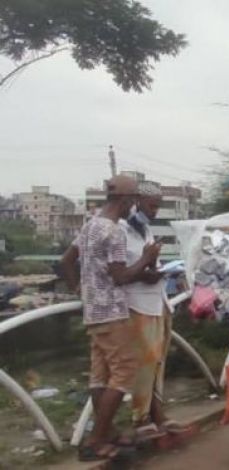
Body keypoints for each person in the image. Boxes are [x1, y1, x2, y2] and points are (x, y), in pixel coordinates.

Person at [61, 175, 160, 462]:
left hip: (93, 312)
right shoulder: (115, 232)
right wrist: (147, 258)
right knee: (124, 370)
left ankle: (108, 433)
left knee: (100, 374)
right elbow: (121, 277)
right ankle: (96, 440)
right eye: (134, 202)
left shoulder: (90, 225)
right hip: (112, 312)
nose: (134, 208)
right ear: (127, 201)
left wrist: (79, 291)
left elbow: (66, 261)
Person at [121, 182, 188, 440]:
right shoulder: (121, 231)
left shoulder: (146, 231)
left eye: (158, 206)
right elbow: (120, 272)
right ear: (137, 201)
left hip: (158, 301)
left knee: (158, 360)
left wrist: (158, 270)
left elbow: (148, 265)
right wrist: (146, 266)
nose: (155, 211)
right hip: (137, 304)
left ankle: (158, 412)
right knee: (144, 361)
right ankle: (140, 417)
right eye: (152, 206)